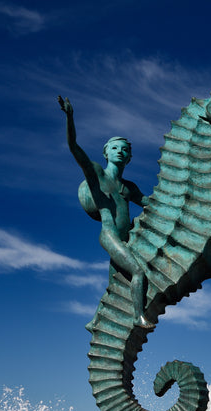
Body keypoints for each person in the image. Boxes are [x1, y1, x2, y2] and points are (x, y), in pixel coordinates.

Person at [58, 96, 153, 328]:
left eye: (125, 150)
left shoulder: (129, 187)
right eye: (114, 148)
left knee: (115, 285)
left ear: (129, 157)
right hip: (110, 235)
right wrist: (70, 117)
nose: (119, 152)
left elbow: (151, 203)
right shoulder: (98, 175)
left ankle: (95, 322)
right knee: (138, 273)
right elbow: (74, 148)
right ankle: (138, 316)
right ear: (105, 153)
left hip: (127, 238)